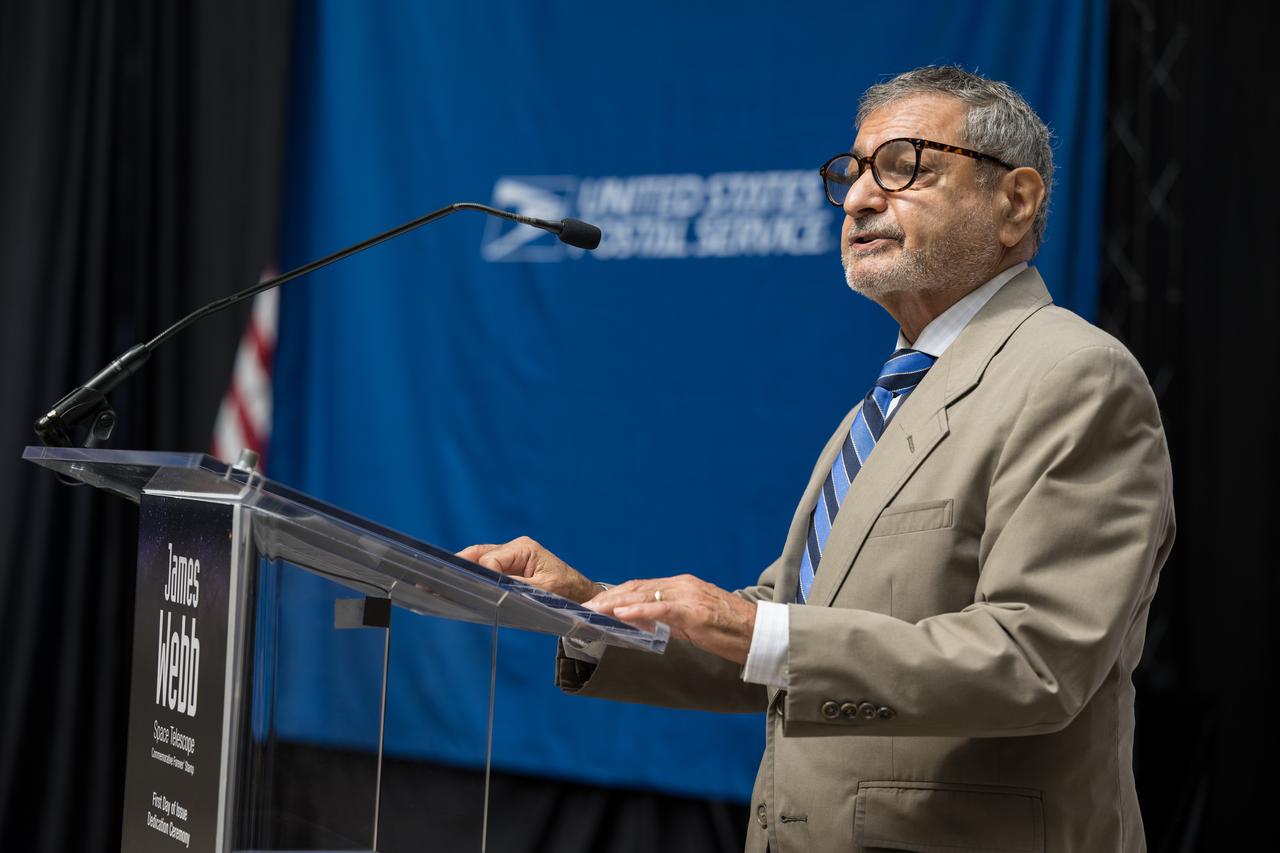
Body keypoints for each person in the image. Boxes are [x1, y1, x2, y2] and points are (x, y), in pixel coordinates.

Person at [460, 66, 1173, 853]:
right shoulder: (888, 400)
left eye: (906, 166)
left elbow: (1035, 661)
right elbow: (780, 631)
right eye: (855, 171)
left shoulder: (1074, 376)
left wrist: (757, 625)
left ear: (1016, 201)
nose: (863, 197)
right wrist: (593, 609)